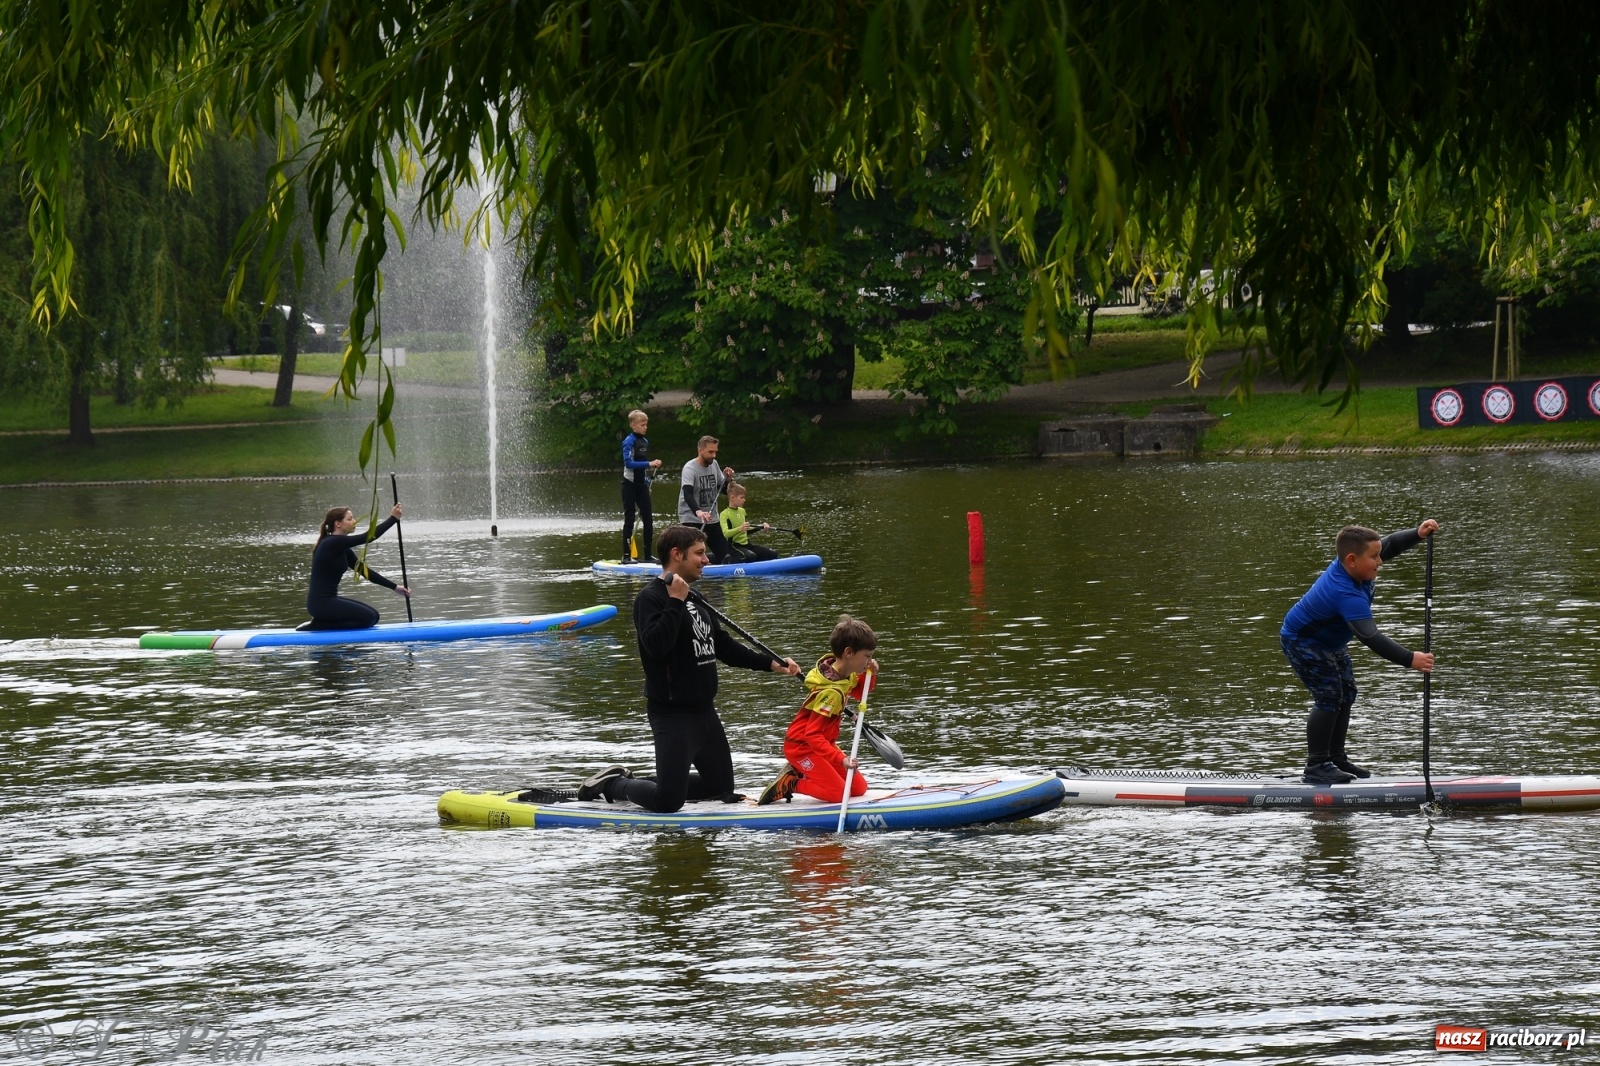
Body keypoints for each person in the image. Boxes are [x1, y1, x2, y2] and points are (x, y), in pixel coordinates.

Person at [576, 525, 800, 811]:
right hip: (672, 714)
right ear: (676, 554)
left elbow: (724, 647)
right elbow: (656, 646)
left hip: (704, 712)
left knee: (720, 790)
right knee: (668, 801)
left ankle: (653, 780)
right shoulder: (651, 598)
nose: (706, 559)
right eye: (699, 553)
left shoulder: (696, 598)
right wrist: (674, 601)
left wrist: (772, 664)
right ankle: (611, 784)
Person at [1280, 520, 1439, 785]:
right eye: (1374, 558)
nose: (1380, 561)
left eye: (1378, 555)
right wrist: (1410, 659)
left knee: (1347, 692)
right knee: (1329, 696)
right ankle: (1317, 765)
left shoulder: (1358, 565)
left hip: (1330, 643)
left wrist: (1417, 534)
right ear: (1351, 560)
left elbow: (1389, 545)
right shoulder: (1344, 592)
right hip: (1302, 641)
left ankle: (1335, 758)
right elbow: (1370, 636)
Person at [759, 615, 879, 805]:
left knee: (858, 789)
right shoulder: (830, 693)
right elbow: (812, 735)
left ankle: (806, 772)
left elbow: (860, 692)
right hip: (801, 747)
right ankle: (790, 783)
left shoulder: (844, 675)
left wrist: (870, 674)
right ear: (848, 652)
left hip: (822, 745)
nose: (869, 661)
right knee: (839, 795)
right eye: (867, 656)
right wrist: (841, 759)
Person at [305, 504, 411, 629]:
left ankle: (323, 623)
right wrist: (393, 519)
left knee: (374, 616)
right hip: (321, 604)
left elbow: (365, 572)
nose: (355, 521)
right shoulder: (331, 542)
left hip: (326, 601)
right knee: (369, 618)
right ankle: (321, 625)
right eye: (350, 519)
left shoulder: (341, 547)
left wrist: (394, 587)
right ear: (338, 524)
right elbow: (368, 537)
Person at [678, 435, 734, 563]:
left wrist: (729, 479)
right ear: (700, 451)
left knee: (726, 557)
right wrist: (698, 512)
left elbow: (723, 490)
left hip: (712, 519)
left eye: (715, 452)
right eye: (710, 452)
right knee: (691, 556)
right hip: (693, 519)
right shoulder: (690, 468)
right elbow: (687, 494)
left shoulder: (714, 464)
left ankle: (711, 565)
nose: (714, 455)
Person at [620, 409, 663, 563]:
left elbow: (642, 470)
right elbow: (629, 463)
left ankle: (647, 555)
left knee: (648, 519)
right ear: (633, 425)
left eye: (646, 424)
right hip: (629, 485)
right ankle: (626, 556)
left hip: (641, 486)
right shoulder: (629, 441)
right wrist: (650, 463)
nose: (645, 427)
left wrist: (646, 484)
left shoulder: (644, 442)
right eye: (642, 425)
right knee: (630, 518)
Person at [718, 482, 779, 563]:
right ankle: (727, 561)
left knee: (772, 554)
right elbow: (726, 533)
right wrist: (740, 528)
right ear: (732, 498)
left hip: (747, 545)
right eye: (742, 497)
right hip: (733, 547)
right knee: (751, 556)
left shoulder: (742, 511)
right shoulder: (724, 514)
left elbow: (746, 529)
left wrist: (761, 526)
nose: (744, 500)